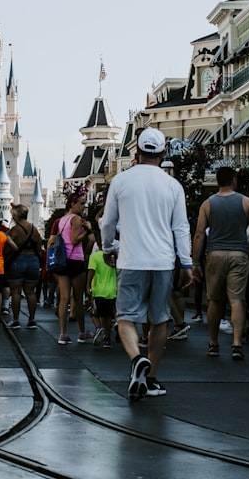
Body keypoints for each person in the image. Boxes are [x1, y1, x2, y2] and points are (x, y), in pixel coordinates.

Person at [101, 128, 193, 400]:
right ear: (163, 152)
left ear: (137, 151)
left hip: (131, 260)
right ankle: (151, 377)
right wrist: (187, 263)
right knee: (160, 320)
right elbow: (181, 228)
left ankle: (136, 358)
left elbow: (107, 222)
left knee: (126, 317)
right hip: (163, 261)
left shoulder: (121, 181)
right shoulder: (172, 185)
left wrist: (108, 248)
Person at [192, 165, 249, 360]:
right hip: (239, 253)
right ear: (233, 181)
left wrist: (195, 262)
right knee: (237, 299)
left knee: (214, 299)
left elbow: (199, 234)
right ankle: (237, 343)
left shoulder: (208, 204)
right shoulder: (246, 202)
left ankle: (213, 342)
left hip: (215, 253)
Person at [50, 185, 96, 344]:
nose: (84, 207)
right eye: (82, 204)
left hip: (63, 261)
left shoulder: (62, 220)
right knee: (78, 298)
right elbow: (76, 240)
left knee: (63, 299)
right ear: (73, 204)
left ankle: (62, 333)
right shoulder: (76, 219)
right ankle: (82, 332)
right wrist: (87, 230)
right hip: (75, 260)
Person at [6, 203, 44, 329]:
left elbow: (8, 248)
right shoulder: (35, 230)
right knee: (31, 292)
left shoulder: (15, 230)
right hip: (33, 261)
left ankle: (16, 320)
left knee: (16, 292)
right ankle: (31, 320)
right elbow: (39, 248)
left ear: (16, 216)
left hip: (18, 261)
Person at [87, 244, 117, 348]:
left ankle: (99, 328)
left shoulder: (94, 256)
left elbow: (91, 271)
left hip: (98, 290)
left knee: (93, 312)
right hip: (111, 290)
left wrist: (88, 286)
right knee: (108, 316)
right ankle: (107, 339)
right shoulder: (112, 258)